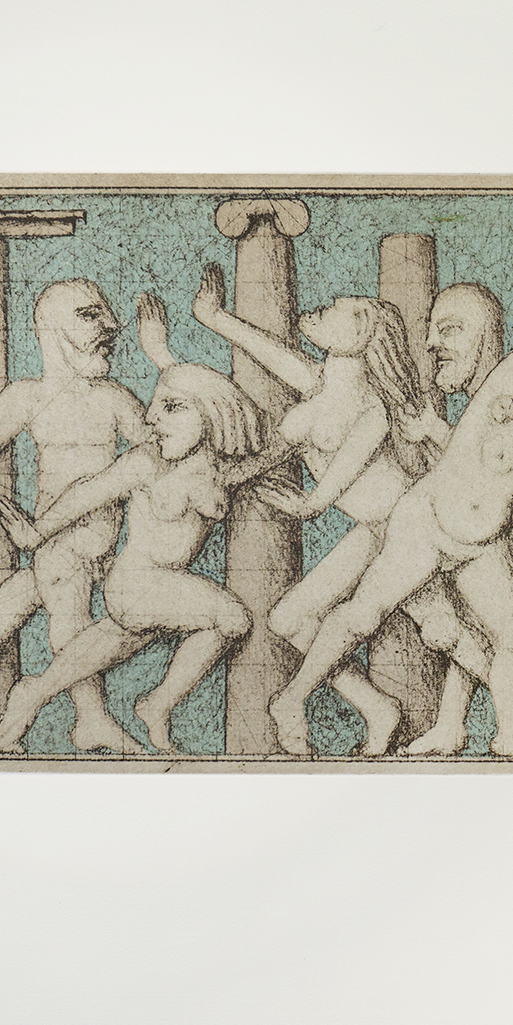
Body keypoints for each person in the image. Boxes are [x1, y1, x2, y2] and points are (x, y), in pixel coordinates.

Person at [270, 235, 513, 757]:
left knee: (512, 635)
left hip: (478, 546)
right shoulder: (505, 391)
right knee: (364, 614)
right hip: (427, 527)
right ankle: (291, 698)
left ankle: (512, 733)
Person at [0, 296, 277, 753]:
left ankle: (35, 692)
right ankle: (157, 704)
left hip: (151, 588)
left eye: (168, 409)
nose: (151, 418)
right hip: (136, 583)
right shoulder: (146, 462)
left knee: (106, 643)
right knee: (232, 620)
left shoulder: (217, 468)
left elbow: (243, 436)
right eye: (156, 408)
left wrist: (299, 448)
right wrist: (36, 532)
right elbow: (87, 493)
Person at [190, 264, 447, 755]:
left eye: (337, 310)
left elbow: (338, 477)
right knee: (290, 620)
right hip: (375, 533)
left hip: (406, 528)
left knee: (451, 634)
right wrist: (215, 317)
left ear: (363, 334)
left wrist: (309, 504)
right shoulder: (317, 384)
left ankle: (292, 700)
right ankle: (374, 708)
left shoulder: (373, 409)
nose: (322, 310)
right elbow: (266, 354)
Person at [0, 279, 150, 753]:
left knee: (1, 620)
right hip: (61, 546)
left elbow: (156, 461)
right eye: (90, 315)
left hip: (96, 551)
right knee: (72, 620)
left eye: (106, 313)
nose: (110, 325)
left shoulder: (115, 398)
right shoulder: (27, 398)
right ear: (51, 328)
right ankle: (92, 719)